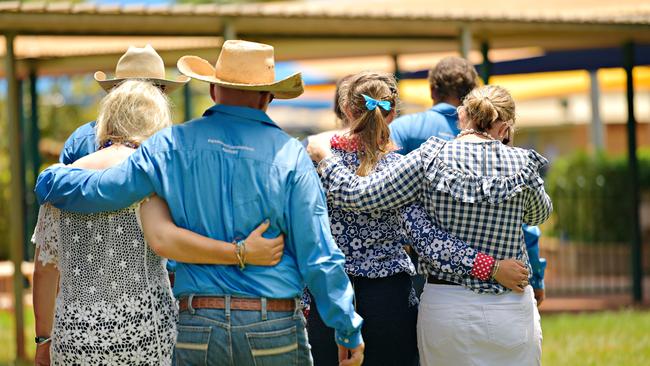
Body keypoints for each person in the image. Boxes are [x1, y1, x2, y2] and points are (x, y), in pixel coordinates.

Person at [35, 40, 365, 366]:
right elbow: (319, 255)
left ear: (212, 91)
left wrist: (52, 179)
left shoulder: (169, 146)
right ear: (268, 97)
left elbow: (107, 189)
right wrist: (346, 327)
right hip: (271, 321)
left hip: (198, 325)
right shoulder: (291, 155)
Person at [32, 80, 284, 365]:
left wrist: (44, 339)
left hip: (75, 335)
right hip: (144, 332)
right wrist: (241, 252)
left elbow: (44, 270)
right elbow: (168, 241)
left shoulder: (59, 183)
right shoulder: (154, 176)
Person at [309, 85, 551, 365]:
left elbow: (361, 196)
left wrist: (326, 158)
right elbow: (538, 215)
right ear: (506, 127)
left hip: (445, 304)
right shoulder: (522, 163)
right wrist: (493, 266)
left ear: (461, 115)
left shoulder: (430, 157)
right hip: (508, 304)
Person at [390, 56, 547, 303]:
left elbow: (386, 189)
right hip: (497, 272)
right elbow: (524, 217)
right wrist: (536, 275)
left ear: (432, 90)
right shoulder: (491, 132)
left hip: (423, 264)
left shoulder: (402, 129)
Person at [59, 44, 190, 165]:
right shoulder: (172, 142)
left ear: (115, 93)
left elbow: (59, 184)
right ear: (160, 95)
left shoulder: (81, 138)